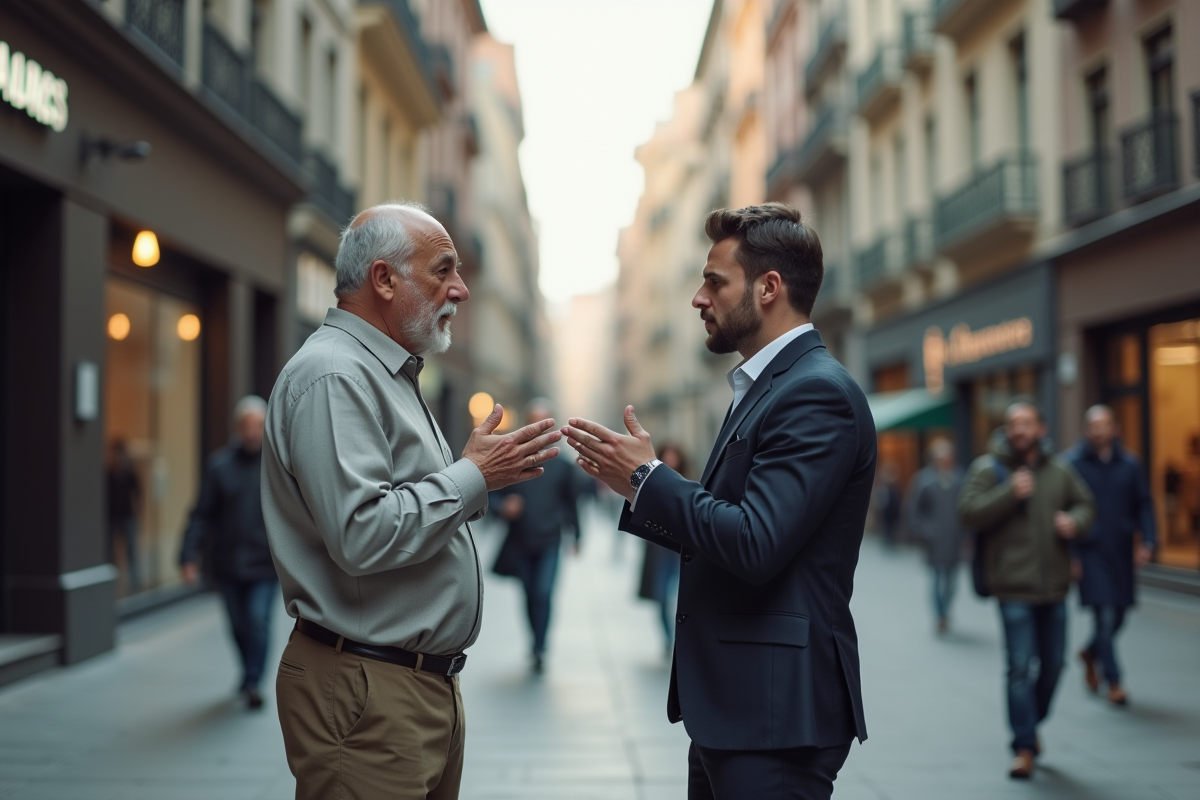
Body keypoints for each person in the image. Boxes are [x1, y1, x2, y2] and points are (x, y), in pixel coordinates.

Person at [562, 203, 874, 800]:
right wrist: (637, 486)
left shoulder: (815, 394)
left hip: (774, 715)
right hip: (737, 709)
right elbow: (728, 522)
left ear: (768, 288)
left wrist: (650, 478)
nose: (698, 298)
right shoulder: (767, 387)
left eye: (714, 281)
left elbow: (755, 542)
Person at [261, 202, 562, 800]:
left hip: (409, 686)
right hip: (369, 691)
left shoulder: (385, 371)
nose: (461, 289)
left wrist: (476, 477)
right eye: (443, 270)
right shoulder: (336, 375)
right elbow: (363, 532)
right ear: (384, 279)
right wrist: (473, 476)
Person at [959, 400, 1095, 780]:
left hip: (1054, 586)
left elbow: (1086, 504)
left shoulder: (1060, 470)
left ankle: (1030, 725)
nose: (1019, 429)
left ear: (1041, 428)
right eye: (1013, 423)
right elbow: (968, 512)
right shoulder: (987, 468)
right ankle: (1023, 746)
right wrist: (1009, 493)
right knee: (1019, 667)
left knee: (1053, 665)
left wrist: (1075, 521)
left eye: (1026, 422)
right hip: (1012, 586)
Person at [180, 395, 278, 710]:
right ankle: (248, 670)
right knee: (238, 626)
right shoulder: (219, 466)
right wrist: (188, 555)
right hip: (228, 563)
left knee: (257, 619)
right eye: (247, 425)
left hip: (265, 564)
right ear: (237, 428)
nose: (252, 431)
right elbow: (201, 514)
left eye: (258, 425)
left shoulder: (276, 467)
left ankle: (254, 682)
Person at [1066, 405, 1157, 706]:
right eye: (1093, 425)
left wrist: (1148, 540)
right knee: (1104, 614)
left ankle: (1090, 652)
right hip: (1089, 551)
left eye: (1104, 424)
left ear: (1115, 428)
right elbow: (1064, 509)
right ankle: (1114, 681)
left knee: (1118, 615)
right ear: (1086, 430)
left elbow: (1143, 503)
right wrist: (1070, 555)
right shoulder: (1072, 464)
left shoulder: (1129, 464)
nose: (1099, 430)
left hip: (1120, 551)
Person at [490, 398, 580, 674]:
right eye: (534, 422)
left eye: (544, 423)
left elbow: (571, 503)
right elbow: (491, 494)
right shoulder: (512, 460)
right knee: (529, 594)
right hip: (520, 541)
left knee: (543, 593)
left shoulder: (563, 466)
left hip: (550, 541)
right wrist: (503, 507)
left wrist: (577, 535)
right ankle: (535, 642)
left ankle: (541, 646)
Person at [905, 438, 967, 634]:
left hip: (954, 540)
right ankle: (940, 615)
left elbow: (966, 509)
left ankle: (945, 610)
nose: (945, 460)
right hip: (935, 542)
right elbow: (913, 511)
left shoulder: (959, 478)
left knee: (952, 582)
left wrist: (967, 535)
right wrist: (926, 532)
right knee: (938, 579)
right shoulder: (924, 480)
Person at [637, 443, 687, 657]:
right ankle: (669, 639)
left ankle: (681, 638)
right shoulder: (653, 483)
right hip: (660, 551)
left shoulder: (690, 482)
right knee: (662, 597)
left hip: (681, 551)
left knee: (680, 596)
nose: (671, 460)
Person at [107, 439, 141, 593]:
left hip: (128, 517)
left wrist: (137, 513)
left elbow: (138, 494)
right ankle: (111, 584)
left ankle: (135, 584)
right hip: (112, 517)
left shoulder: (130, 473)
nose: (117, 457)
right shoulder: (108, 473)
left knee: (131, 552)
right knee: (110, 553)